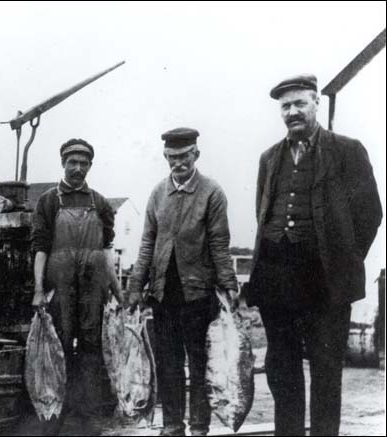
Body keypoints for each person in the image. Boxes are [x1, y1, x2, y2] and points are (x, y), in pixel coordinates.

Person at [247, 74, 383, 436]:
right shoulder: (269, 158)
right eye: (285, 106)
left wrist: (344, 259)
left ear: (315, 103)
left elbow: (370, 214)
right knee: (282, 370)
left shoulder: (347, 150)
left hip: (326, 282)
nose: (292, 112)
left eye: (299, 104)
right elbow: (263, 211)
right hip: (277, 279)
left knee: (325, 371)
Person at [128, 128, 238, 436]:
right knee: (168, 364)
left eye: (184, 156)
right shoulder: (157, 194)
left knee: (201, 364)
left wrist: (228, 284)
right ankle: (173, 426)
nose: (178, 163)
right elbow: (147, 243)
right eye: (172, 157)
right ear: (165, 157)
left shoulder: (212, 193)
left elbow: (219, 243)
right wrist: (136, 285)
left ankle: (200, 427)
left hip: (198, 295)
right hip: (164, 295)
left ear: (196, 155)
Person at [31, 138, 122, 436]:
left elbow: (107, 251)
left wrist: (119, 292)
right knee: (59, 348)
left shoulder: (100, 202)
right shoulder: (48, 201)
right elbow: (40, 248)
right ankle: (56, 415)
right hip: (61, 284)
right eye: (73, 162)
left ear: (90, 166)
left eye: (84, 163)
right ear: (63, 163)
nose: (78, 168)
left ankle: (88, 417)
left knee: (92, 349)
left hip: (94, 286)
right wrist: (38, 289)